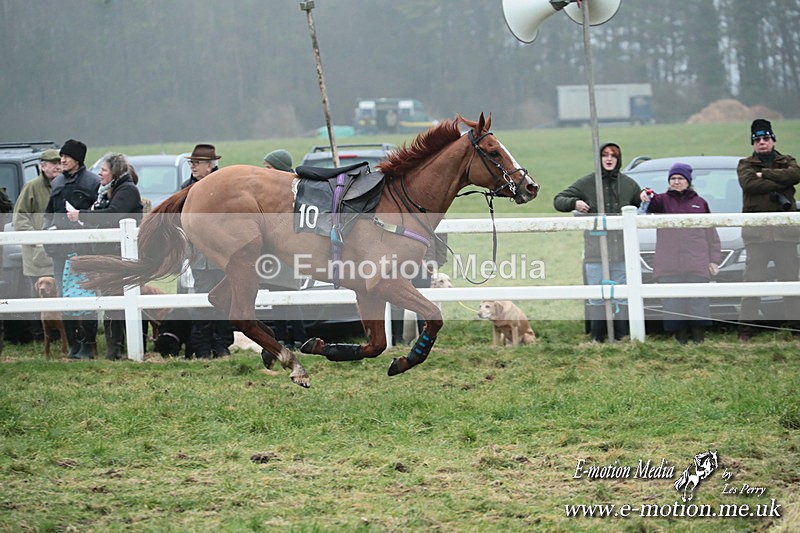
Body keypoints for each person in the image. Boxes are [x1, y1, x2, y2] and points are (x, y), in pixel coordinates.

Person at [554, 142, 642, 342]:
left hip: (620, 252)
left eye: (613, 155)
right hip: (595, 252)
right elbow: (558, 200)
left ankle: (621, 336)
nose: (609, 159)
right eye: (605, 155)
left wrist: (644, 197)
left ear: (619, 159)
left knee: (621, 295)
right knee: (596, 296)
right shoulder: (587, 183)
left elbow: (641, 202)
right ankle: (596, 338)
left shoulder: (628, 184)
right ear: (599, 159)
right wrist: (574, 203)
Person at [67, 153, 143, 359]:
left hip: (119, 255)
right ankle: (116, 349)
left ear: (114, 171)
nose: (99, 173)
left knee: (115, 300)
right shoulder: (111, 190)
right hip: (112, 253)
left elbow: (113, 214)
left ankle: (115, 351)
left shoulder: (127, 190)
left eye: (104, 169)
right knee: (113, 300)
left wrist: (81, 215)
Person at [639, 162, 721, 343]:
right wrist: (646, 193)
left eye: (680, 178)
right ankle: (681, 341)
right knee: (673, 304)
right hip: (669, 264)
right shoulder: (661, 201)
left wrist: (714, 260)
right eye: (673, 178)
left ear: (688, 181)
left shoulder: (700, 203)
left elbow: (711, 234)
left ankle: (699, 340)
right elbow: (650, 201)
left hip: (696, 263)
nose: (676, 182)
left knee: (698, 303)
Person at [736, 119, 800, 342]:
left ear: (773, 140)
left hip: (785, 234)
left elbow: (795, 175)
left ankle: (796, 327)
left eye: (765, 138)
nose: (761, 143)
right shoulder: (745, 164)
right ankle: (746, 330)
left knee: (791, 281)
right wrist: (779, 180)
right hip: (757, 236)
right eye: (757, 140)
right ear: (753, 143)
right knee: (752, 282)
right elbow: (749, 184)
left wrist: (766, 175)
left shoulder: (788, 160)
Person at [43, 139, 101, 359]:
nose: (62, 160)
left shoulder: (92, 182)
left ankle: (88, 346)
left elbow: (98, 215)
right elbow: (48, 215)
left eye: (67, 157)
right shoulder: (57, 182)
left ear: (78, 159)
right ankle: (73, 346)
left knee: (87, 298)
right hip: (60, 251)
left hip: (84, 251)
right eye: (61, 156)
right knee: (64, 297)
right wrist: (48, 236)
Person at [181, 144, 233, 358]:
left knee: (224, 301)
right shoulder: (186, 188)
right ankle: (202, 348)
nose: (193, 166)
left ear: (210, 165)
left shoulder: (225, 187)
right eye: (191, 162)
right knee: (202, 301)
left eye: (197, 162)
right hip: (199, 257)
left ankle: (222, 346)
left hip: (222, 256)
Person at [12, 149, 61, 341]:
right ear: (43, 166)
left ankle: (61, 333)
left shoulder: (65, 185)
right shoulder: (31, 188)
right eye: (52, 163)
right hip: (37, 255)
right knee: (38, 295)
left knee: (60, 293)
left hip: (59, 252)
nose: (57, 166)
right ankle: (40, 335)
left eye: (59, 162)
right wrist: (37, 238)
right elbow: (20, 218)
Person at [261, 149, 307, 349]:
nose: (265, 171)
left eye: (268, 167)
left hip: (288, 251)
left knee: (291, 299)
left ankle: (300, 339)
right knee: (275, 299)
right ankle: (281, 340)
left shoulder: (295, 190)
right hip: (272, 252)